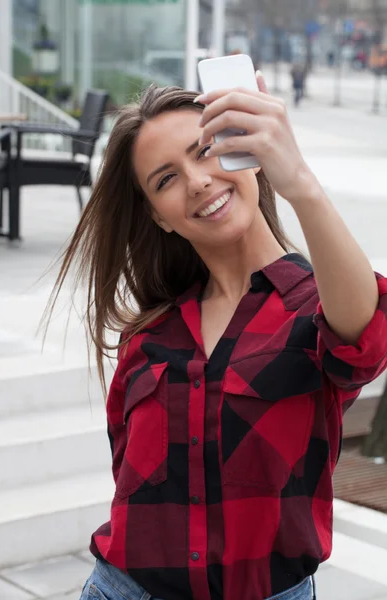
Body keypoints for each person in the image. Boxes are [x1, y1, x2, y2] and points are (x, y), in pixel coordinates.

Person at [46, 73, 387, 600]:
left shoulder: (314, 308)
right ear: (158, 217)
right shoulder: (152, 335)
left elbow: (365, 337)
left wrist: (297, 178)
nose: (198, 181)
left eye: (204, 151)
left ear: (244, 153)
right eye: (165, 179)